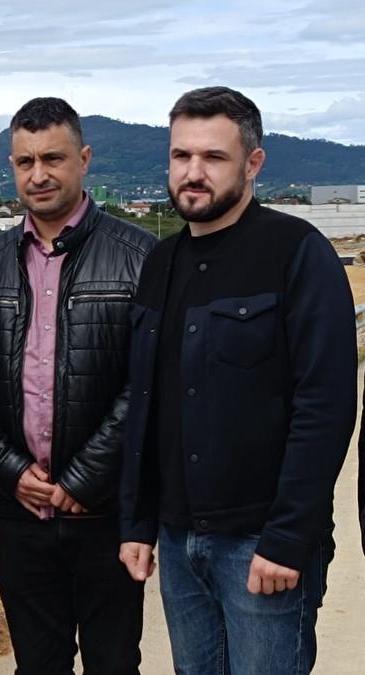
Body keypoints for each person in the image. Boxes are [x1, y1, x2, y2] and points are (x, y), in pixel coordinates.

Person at [119, 86, 356, 673]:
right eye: (181, 156)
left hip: (261, 546)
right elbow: (146, 404)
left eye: (213, 158)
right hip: (177, 544)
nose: (192, 173)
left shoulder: (297, 252)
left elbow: (324, 407)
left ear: (253, 163)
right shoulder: (159, 263)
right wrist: (137, 522)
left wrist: (288, 536)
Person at [0, 97, 155, 673]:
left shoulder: (140, 257)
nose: (39, 174)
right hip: (21, 515)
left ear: (83, 159)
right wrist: (10, 471)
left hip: (105, 513)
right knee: (37, 665)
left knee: (114, 663)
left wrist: (84, 477)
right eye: (25, 161)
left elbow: (148, 380)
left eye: (54, 158)